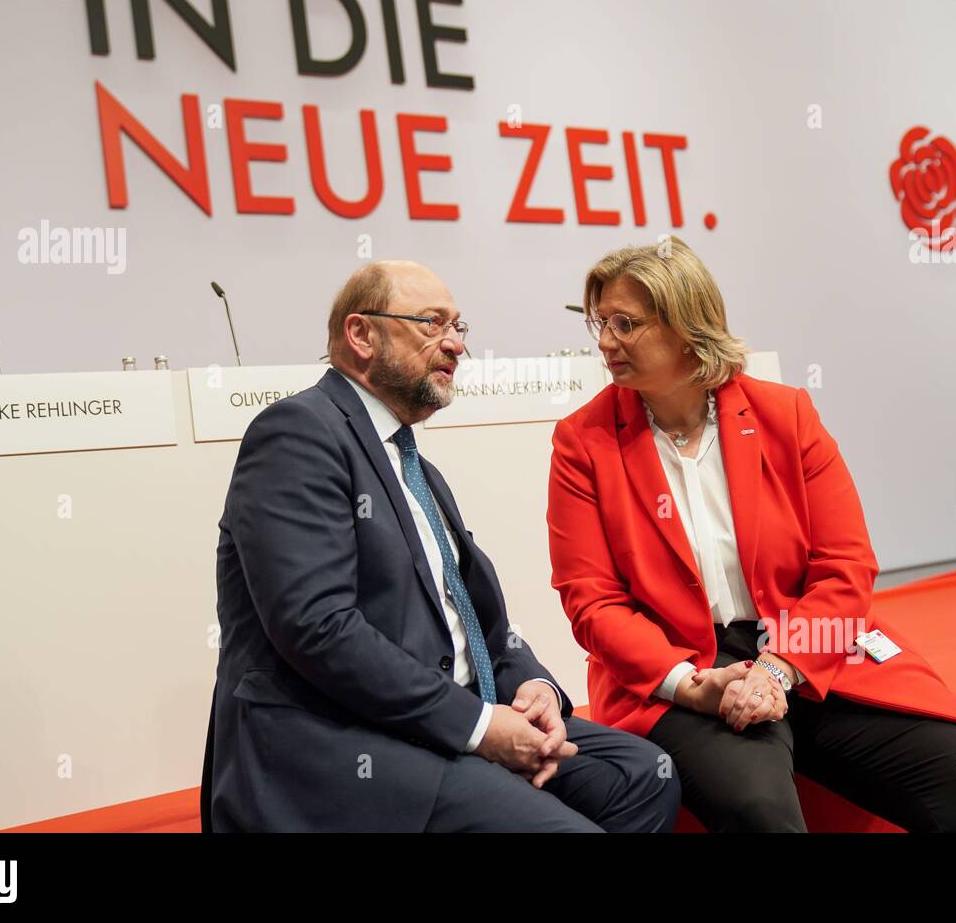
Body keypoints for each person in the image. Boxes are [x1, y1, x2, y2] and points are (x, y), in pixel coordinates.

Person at [546, 237, 956, 832]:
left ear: (686, 327)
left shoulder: (785, 415)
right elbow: (592, 603)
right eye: (599, 323)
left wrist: (780, 667)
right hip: (681, 673)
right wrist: (694, 686)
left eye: (625, 324)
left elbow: (845, 564)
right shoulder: (583, 442)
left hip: (805, 648)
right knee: (759, 810)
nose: (604, 342)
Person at [201, 260, 680, 832]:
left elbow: (474, 619)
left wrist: (533, 687)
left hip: (441, 720)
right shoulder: (298, 433)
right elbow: (317, 628)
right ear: (361, 335)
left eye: (460, 327)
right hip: (342, 741)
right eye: (433, 323)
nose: (456, 344)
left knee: (643, 774)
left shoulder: (412, 465)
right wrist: (478, 727)